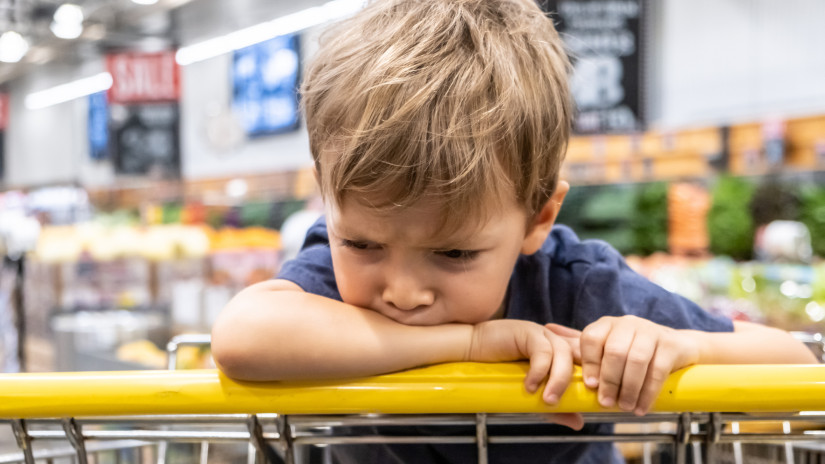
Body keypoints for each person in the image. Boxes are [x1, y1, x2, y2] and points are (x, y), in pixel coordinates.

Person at [211, 0, 817, 462]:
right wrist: (472, 344)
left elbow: (794, 373)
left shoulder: (578, 289)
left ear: (539, 219)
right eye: (362, 244)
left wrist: (685, 348)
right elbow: (244, 337)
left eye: (454, 253)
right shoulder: (331, 274)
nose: (403, 292)